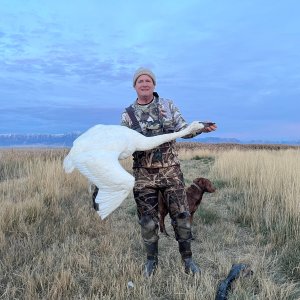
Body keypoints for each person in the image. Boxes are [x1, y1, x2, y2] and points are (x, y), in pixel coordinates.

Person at [120, 67, 217, 277]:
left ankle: (188, 259)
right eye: (140, 81)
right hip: (143, 176)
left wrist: (199, 128)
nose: (144, 84)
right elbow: (122, 144)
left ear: (154, 84)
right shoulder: (127, 114)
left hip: (171, 173)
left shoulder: (168, 105)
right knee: (147, 221)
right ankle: (151, 262)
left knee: (182, 217)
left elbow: (184, 129)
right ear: (134, 86)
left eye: (148, 80)